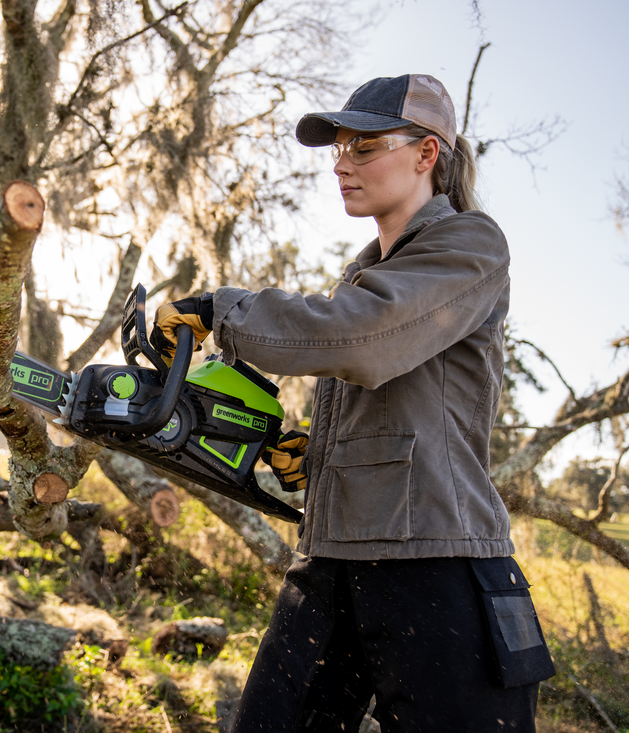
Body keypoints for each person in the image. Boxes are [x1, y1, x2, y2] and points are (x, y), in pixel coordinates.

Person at [149, 74, 555, 732]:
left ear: (427, 154)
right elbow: (392, 401)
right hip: (334, 562)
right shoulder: (362, 274)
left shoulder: (471, 246)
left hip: (439, 565)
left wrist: (224, 312)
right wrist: (319, 457)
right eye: (339, 149)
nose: (343, 164)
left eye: (364, 148)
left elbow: (365, 338)